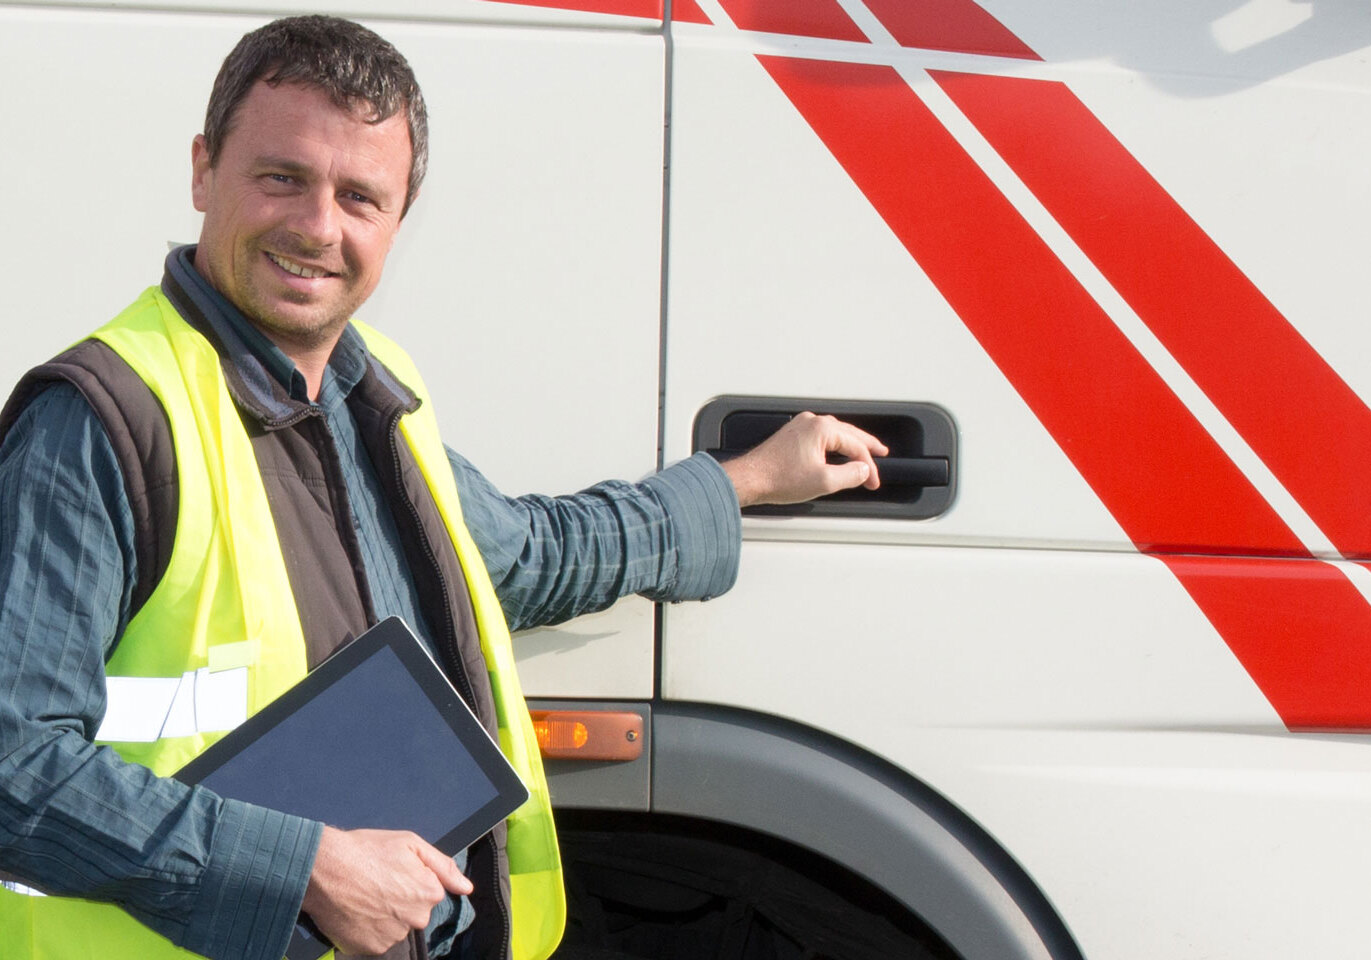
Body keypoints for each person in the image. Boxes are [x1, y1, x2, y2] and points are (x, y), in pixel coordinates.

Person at [0, 15, 887, 960]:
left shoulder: (375, 398)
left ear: (397, 222)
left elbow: (529, 555)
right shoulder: (103, 421)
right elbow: (13, 765)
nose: (317, 227)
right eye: (282, 178)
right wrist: (303, 870)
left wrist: (744, 479)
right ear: (202, 171)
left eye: (360, 197)